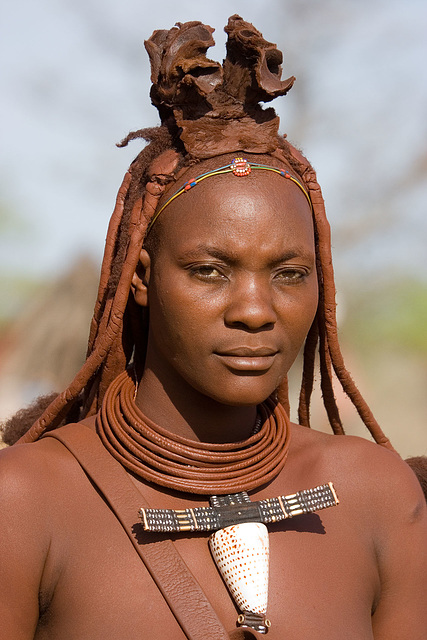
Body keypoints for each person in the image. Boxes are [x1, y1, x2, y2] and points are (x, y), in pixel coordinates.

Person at [0, 16, 426, 640]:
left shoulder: (376, 497)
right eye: (208, 271)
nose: (254, 310)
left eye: (288, 274)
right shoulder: (28, 501)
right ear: (142, 279)